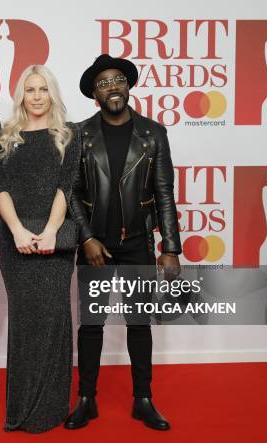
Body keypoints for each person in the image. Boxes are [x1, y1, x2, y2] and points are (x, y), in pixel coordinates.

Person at [66, 54, 182, 431]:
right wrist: (86, 238)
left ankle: (143, 399)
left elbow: (164, 192)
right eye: (103, 83)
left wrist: (170, 247)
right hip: (95, 245)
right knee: (91, 325)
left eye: (118, 80)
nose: (112, 87)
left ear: (128, 86)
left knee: (138, 324)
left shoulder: (153, 133)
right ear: (93, 94)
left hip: (137, 244)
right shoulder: (79, 135)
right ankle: (87, 399)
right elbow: (72, 192)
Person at [0, 65, 81, 433]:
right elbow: (1, 189)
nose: (37, 96)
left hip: (53, 239)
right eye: (30, 89)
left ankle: (49, 407)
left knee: (53, 321)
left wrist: (48, 232)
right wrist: (16, 231)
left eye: (43, 89)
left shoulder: (69, 135)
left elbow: (67, 186)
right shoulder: (5, 135)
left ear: (52, 93)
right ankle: (21, 408)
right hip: (14, 241)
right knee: (25, 323)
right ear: (21, 95)